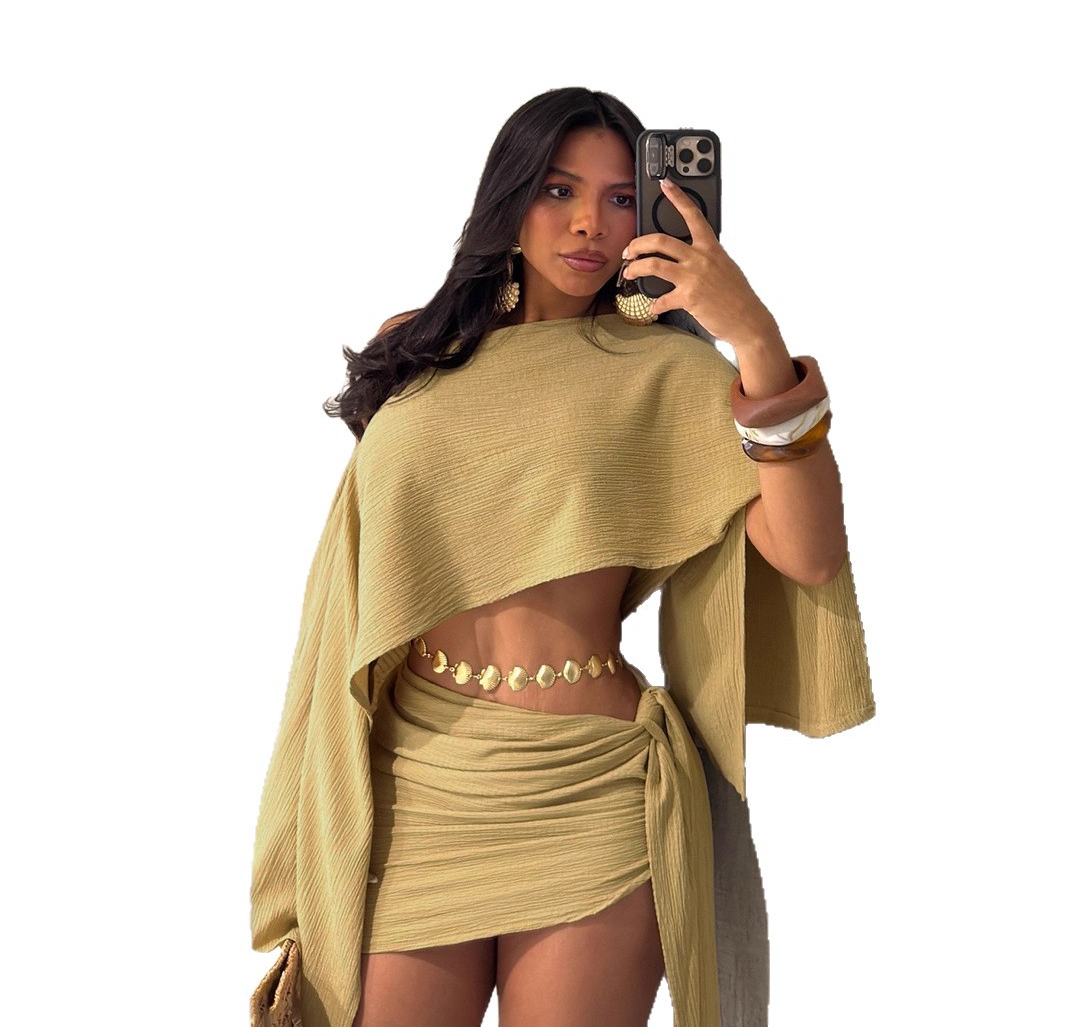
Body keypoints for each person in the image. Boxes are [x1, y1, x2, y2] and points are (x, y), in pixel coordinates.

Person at [249, 87, 875, 1027]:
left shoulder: (670, 373)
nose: (590, 223)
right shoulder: (417, 350)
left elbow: (809, 554)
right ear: (508, 200)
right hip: (418, 780)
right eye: (558, 189)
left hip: (591, 787)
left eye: (622, 198)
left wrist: (753, 334)